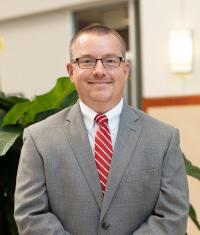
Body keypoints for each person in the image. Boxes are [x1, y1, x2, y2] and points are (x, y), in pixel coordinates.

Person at [14, 25, 189, 235]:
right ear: (71, 72)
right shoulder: (38, 138)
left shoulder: (164, 138)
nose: (99, 70)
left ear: (125, 70)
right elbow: (30, 215)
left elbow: (173, 216)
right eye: (87, 61)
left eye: (110, 61)